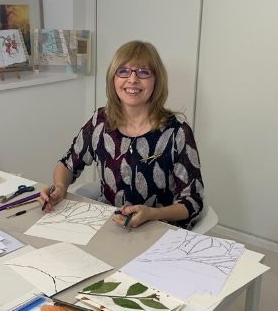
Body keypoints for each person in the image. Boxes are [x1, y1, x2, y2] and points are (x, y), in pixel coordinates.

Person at [40, 40, 204, 229]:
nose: (133, 80)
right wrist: (60, 187)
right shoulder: (100, 122)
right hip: (111, 226)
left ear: (156, 80)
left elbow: (192, 202)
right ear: (113, 78)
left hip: (158, 229)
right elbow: (68, 164)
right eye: (124, 71)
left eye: (143, 72)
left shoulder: (177, 131)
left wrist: (153, 214)